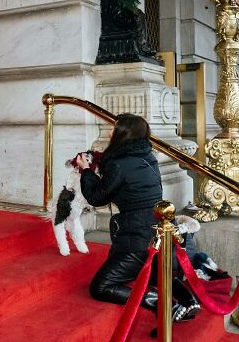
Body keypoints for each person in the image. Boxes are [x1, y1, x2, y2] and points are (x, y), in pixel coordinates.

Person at [77, 113, 199, 322]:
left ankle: (159, 303)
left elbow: (97, 197)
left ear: (123, 134)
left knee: (100, 286)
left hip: (137, 238)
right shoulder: (148, 157)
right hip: (156, 231)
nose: (109, 132)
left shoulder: (119, 164)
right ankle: (189, 299)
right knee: (153, 272)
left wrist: (86, 171)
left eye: (114, 128)